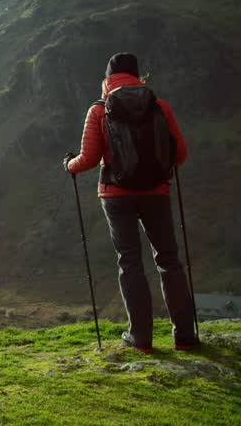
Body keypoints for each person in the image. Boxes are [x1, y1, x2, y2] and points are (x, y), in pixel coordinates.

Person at [63, 52, 197, 352]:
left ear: (108, 77)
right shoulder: (159, 106)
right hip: (157, 193)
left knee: (130, 261)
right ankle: (185, 335)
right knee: (169, 260)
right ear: (138, 76)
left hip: (116, 196)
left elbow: (89, 159)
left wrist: (69, 164)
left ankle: (141, 337)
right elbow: (180, 155)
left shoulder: (99, 110)